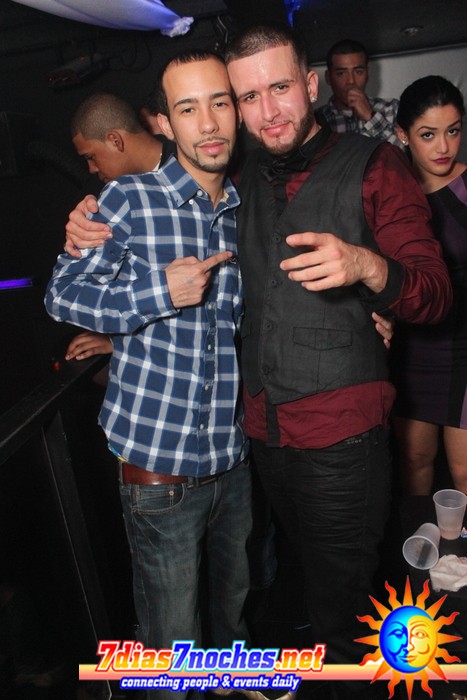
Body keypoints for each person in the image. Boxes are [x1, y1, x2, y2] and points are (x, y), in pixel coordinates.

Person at [60, 24, 451, 700]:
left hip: (334, 442)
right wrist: (110, 261)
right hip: (250, 446)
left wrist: (368, 270)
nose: (265, 111)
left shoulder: (373, 165)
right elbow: (92, 277)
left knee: (338, 615)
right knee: (251, 603)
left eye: (278, 88)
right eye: (246, 97)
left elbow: (434, 294)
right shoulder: (228, 183)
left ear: (310, 85)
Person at [45, 50, 252, 700]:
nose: (207, 122)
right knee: (171, 649)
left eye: (219, 102)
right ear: (164, 122)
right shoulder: (128, 198)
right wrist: (157, 294)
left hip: (233, 458)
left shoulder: (247, 208)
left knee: (232, 622)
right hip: (160, 467)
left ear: (237, 112)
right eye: (188, 108)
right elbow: (61, 294)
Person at [391, 75, 467, 495]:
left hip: (464, 347)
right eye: (428, 134)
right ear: (403, 134)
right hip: (413, 349)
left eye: (453, 131)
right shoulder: (391, 193)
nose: (443, 147)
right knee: (414, 462)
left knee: (464, 472)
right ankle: (419, 541)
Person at [65, 92, 178, 362]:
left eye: (91, 156)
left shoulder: (191, 165)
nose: (91, 168)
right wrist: (117, 338)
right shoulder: (107, 196)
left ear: (115, 140)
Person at [315, 39, 402, 147]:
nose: (351, 81)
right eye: (341, 73)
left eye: (358, 72)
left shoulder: (391, 109)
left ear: (367, 74)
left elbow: (404, 154)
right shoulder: (316, 120)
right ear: (328, 77)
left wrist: (370, 117)